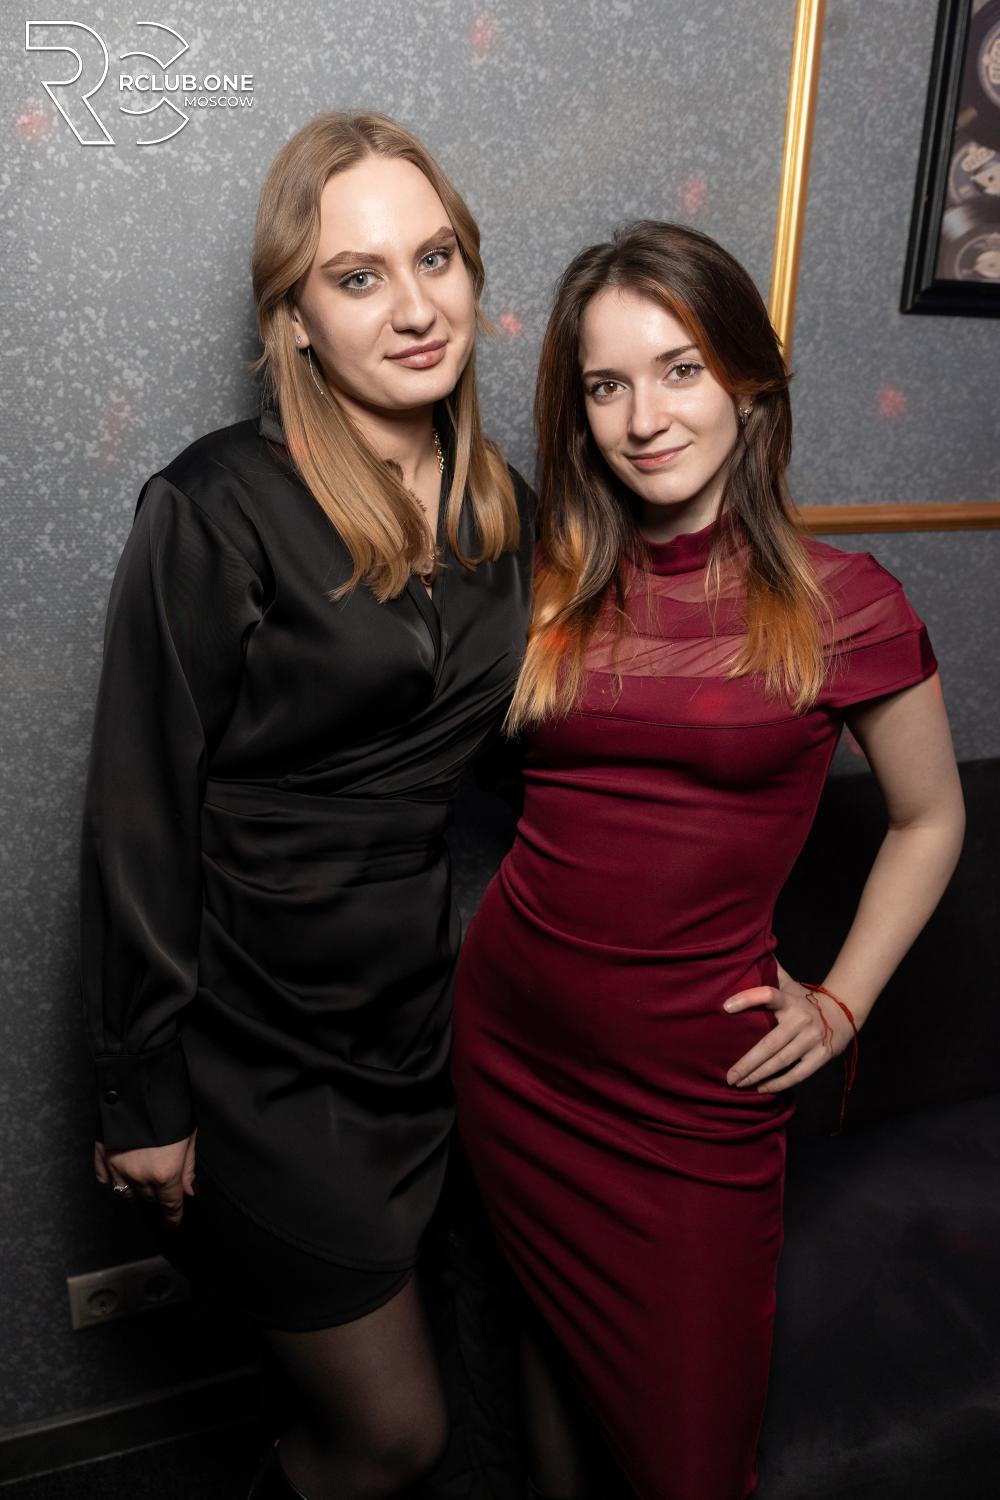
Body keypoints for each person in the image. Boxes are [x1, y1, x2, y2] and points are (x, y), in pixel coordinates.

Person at [449, 221, 965, 1500]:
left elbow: (928, 818)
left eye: (679, 370)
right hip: (513, 1053)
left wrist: (839, 1003)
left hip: (693, 1094)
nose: (643, 419)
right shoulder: (542, 583)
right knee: (545, 1354)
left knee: (690, 1463)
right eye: (605, 385)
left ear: (745, 379)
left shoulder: (847, 605)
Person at [80, 111, 534, 1500]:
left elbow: (559, 752)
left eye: (435, 258)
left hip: (414, 1029)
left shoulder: (506, 513)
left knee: (439, 1388)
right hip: (253, 1051)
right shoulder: (218, 504)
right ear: (295, 317)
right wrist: (140, 1091)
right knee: (396, 1434)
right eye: (358, 276)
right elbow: (138, 811)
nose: (414, 308)